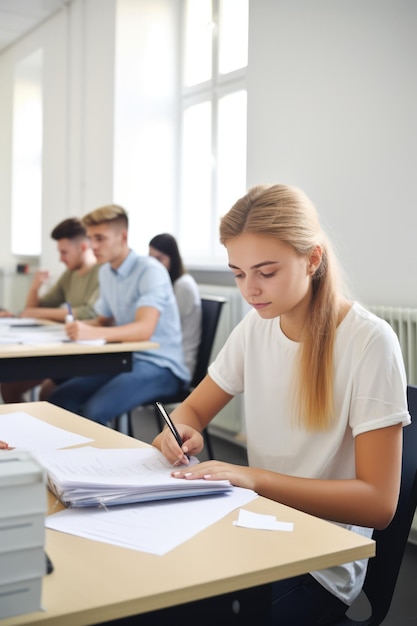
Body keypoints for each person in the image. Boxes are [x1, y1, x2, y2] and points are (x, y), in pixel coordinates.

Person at [152, 184, 411, 625]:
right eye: (238, 273)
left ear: (312, 259)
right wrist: (174, 434)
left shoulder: (369, 342)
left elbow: (378, 503)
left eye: (266, 272)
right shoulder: (256, 329)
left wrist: (254, 479)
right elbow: (191, 412)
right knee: (151, 598)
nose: (249, 290)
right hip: (254, 531)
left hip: (318, 562)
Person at [48, 204, 190, 426]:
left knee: (94, 411)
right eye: (90, 238)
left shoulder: (150, 270)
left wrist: (92, 331)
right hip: (126, 359)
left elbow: (144, 329)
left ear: (122, 236)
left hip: (162, 365)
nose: (92, 246)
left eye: (100, 238)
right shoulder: (106, 272)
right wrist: (73, 329)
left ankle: (94, 462)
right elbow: (103, 319)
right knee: (59, 398)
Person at [0, 218, 100, 404]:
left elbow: (88, 312)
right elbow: (33, 309)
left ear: (83, 247)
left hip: (87, 355)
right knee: (9, 386)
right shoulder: (70, 274)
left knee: (48, 394)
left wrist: (37, 313)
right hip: (65, 349)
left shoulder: (102, 272)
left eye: (64, 252)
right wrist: (34, 287)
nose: (61, 258)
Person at [149, 233, 202, 378]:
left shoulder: (183, 286)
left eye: (159, 259)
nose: (154, 265)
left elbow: (161, 329)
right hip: (162, 357)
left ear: (173, 259)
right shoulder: (165, 283)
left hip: (178, 364)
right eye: (150, 259)